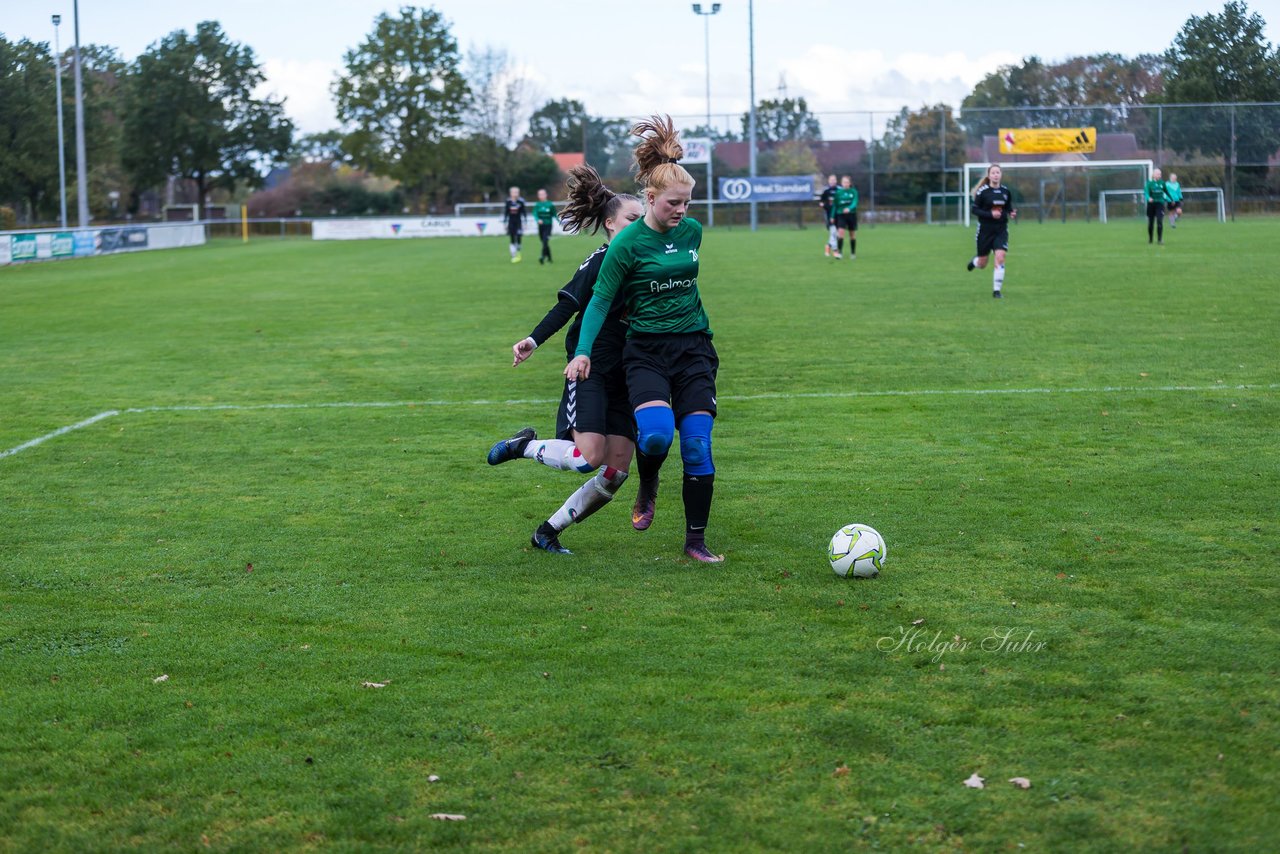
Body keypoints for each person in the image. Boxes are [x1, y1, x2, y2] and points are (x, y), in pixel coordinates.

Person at [564, 115, 724, 564]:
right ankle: (648, 485)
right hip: (647, 353)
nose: (682, 212)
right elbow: (597, 303)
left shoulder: (692, 232)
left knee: (695, 442)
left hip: (694, 350)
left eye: (688, 204)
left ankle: (695, 541)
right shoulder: (626, 245)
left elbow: (682, 280)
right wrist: (581, 354)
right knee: (654, 438)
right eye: (674, 203)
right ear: (650, 199)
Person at [486, 166, 647, 554]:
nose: (639, 225)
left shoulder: (649, 265)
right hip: (589, 366)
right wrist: (532, 340)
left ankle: (548, 532)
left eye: (644, 219)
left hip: (630, 375)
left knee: (616, 472)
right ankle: (523, 446)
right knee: (587, 458)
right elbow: (568, 307)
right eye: (631, 219)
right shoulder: (600, 261)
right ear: (610, 223)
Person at [966, 164, 1017, 298]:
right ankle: (975, 262)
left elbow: (1008, 207)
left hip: (1000, 230)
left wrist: (1011, 213)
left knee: (1000, 257)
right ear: (989, 176)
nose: (995, 175)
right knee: (983, 263)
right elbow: (974, 210)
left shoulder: (1006, 191)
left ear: (1001, 175)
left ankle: (996, 291)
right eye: (993, 173)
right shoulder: (983, 192)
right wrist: (990, 214)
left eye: (998, 172)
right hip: (985, 231)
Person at [832, 175, 858, 260]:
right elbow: (834, 205)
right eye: (844, 182)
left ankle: (853, 253)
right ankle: (839, 253)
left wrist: (849, 208)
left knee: (852, 235)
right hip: (841, 215)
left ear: (850, 183)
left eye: (847, 182)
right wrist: (832, 216)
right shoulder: (838, 193)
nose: (845, 183)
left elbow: (855, 202)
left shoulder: (854, 192)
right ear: (841, 183)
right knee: (840, 233)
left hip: (851, 215)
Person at [1144, 168, 1167, 245]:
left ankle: (1160, 240)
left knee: (1159, 221)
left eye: (1160, 174)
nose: (1159, 175)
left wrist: (1171, 199)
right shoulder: (1149, 183)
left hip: (1160, 204)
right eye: (1158, 174)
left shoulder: (1162, 183)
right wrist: (1148, 198)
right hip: (1151, 204)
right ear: (1153, 174)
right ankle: (1150, 239)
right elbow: (1146, 192)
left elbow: (1166, 192)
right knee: (1151, 222)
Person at [533, 188, 557, 264]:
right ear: (538, 196)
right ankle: (549, 258)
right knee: (544, 242)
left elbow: (554, 214)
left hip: (548, 225)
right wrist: (538, 220)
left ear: (546, 195)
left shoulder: (550, 204)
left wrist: (560, 221)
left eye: (543, 194)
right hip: (541, 226)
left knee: (545, 241)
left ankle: (542, 257)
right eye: (540, 194)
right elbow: (535, 214)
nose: (542, 195)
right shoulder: (537, 205)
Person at [504, 186, 527, 263]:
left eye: (517, 192)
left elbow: (524, 212)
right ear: (511, 193)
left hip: (518, 222)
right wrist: (505, 223)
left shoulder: (521, 201)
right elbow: (506, 213)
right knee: (512, 238)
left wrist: (525, 222)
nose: (516, 193)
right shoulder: (508, 202)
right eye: (514, 192)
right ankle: (513, 254)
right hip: (511, 222)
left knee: (519, 237)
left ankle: (518, 252)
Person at [818, 174, 838, 257]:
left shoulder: (839, 190)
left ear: (836, 181)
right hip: (829, 214)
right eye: (831, 180)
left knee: (836, 233)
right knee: (833, 231)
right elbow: (821, 201)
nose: (832, 181)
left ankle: (828, 246)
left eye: (834, 180)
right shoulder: (826, 191)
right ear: (829, 181)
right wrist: (822, 204)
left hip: (838, 214)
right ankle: (835, 250)